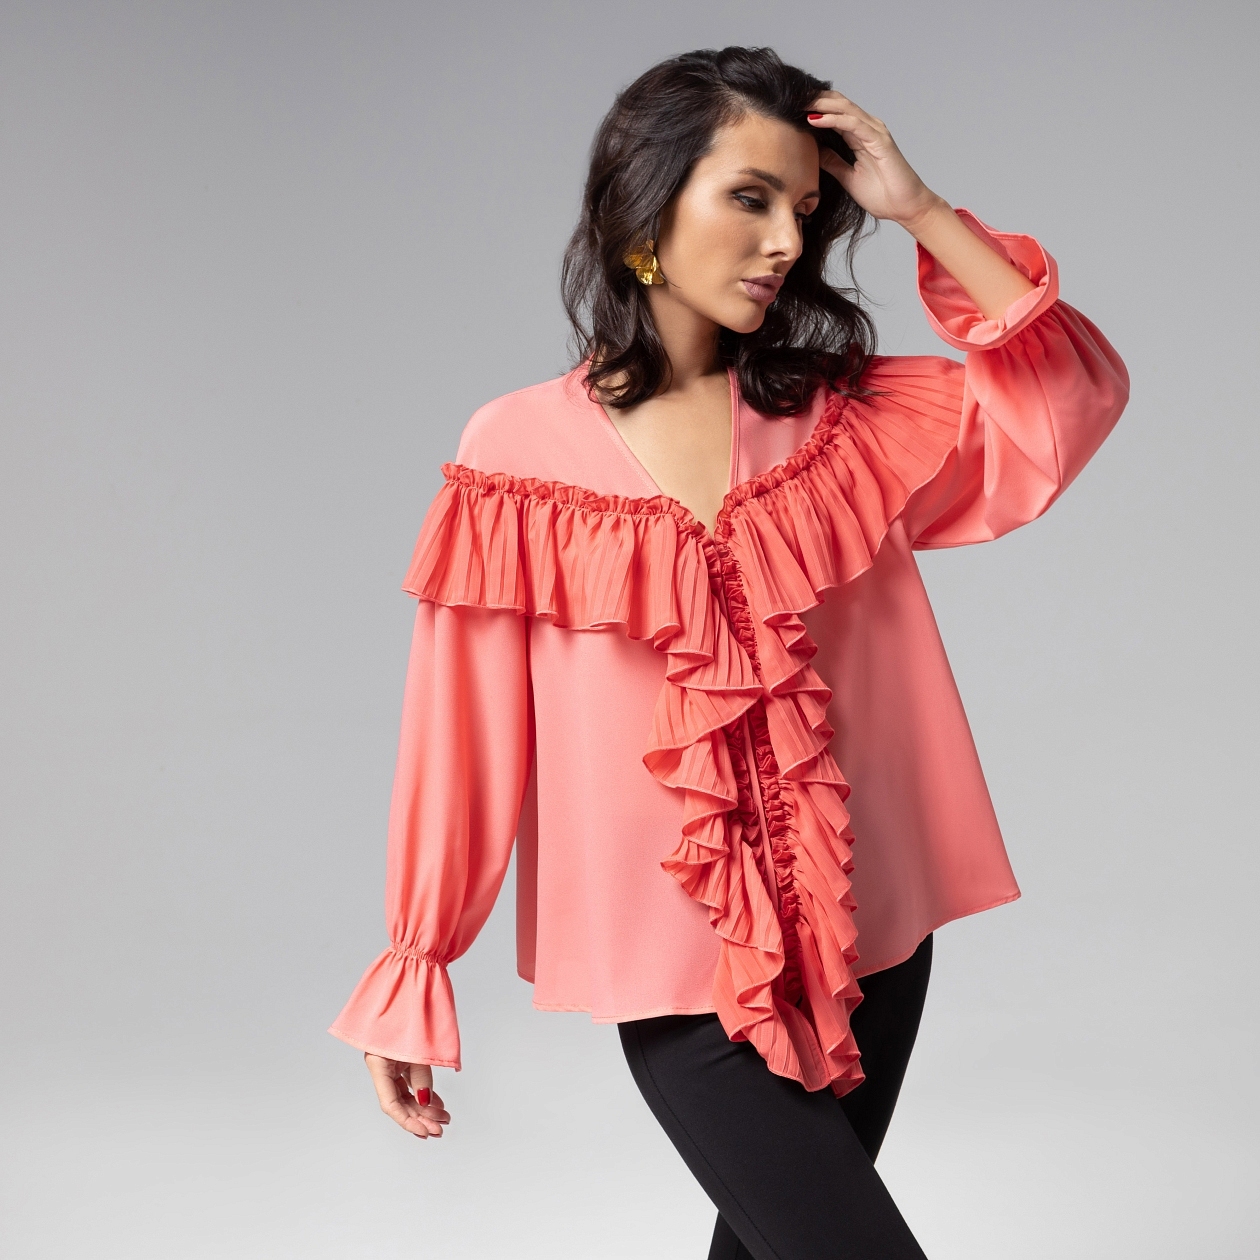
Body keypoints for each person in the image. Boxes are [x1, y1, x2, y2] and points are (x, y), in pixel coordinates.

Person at [329, 45, 1129, 1260]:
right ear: (646, 206)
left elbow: (1067, 402)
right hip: (679, 968)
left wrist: (919, 209)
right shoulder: (514, 455)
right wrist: (415, 960)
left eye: (804, 209)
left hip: (873, 935)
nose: (784, 242)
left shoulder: (844, 417)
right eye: (749, 198)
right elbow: (464, 736)